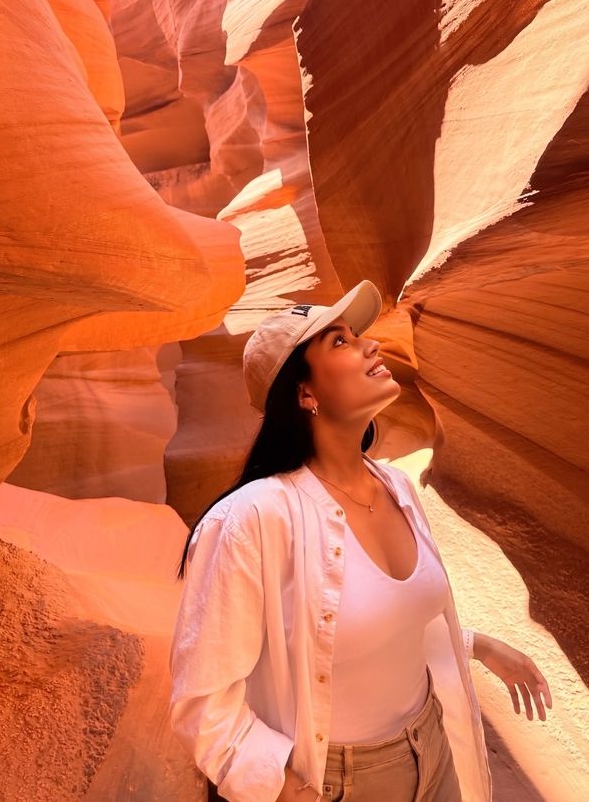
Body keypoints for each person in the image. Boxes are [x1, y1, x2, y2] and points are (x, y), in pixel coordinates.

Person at [168, 280, 552, 802]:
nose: (371, 344)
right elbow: (203, 703)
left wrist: (477, 645)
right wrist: (287, 792)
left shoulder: (394, 485)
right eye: (340, 342)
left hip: (432, 750)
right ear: (305, 393)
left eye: (357, 335)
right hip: (336, 783)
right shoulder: (251, 519)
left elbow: (380, 626)